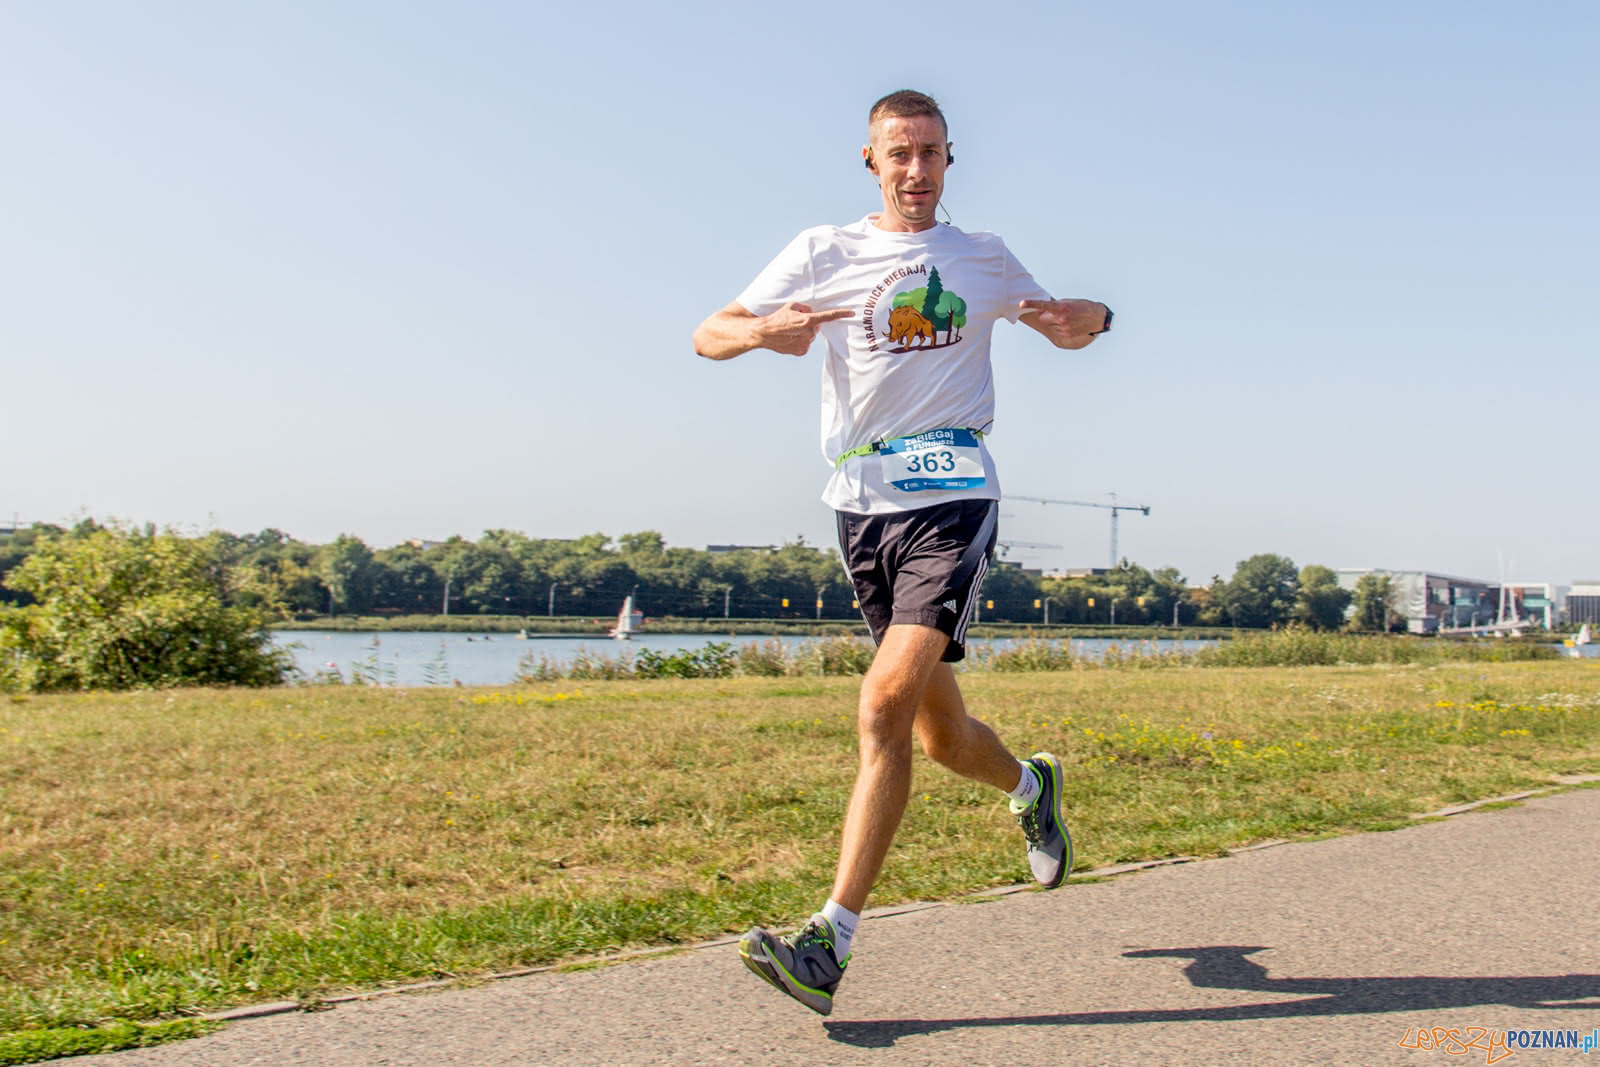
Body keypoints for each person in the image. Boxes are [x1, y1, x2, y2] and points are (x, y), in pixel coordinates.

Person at [691, 89, 1113, 1016]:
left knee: (881, 704)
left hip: (955, 492)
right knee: (939, 733)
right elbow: (707, 332)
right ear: (872, 162)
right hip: (861, 505)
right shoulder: (822, 251)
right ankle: (1031, 782)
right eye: (899, 154)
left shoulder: (982, 257)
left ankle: (828, 942)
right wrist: (764, 331)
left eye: (930, 153)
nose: (916, 170)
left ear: (950, 160)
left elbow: (1071, 325)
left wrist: (1091, 316)